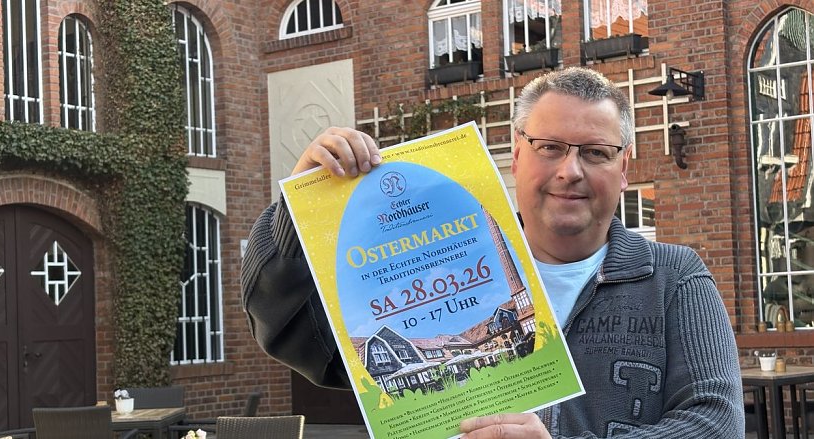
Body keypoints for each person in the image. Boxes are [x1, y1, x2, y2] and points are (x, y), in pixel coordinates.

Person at [241, 67, 744, 438]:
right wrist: (299, 206)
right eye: (550, 147)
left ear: (625, 168)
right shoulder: (438, 264)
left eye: (595, 152)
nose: (570, 171)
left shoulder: (672, 279)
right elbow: (285, 330)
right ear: (517, 156)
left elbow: (717, 424)